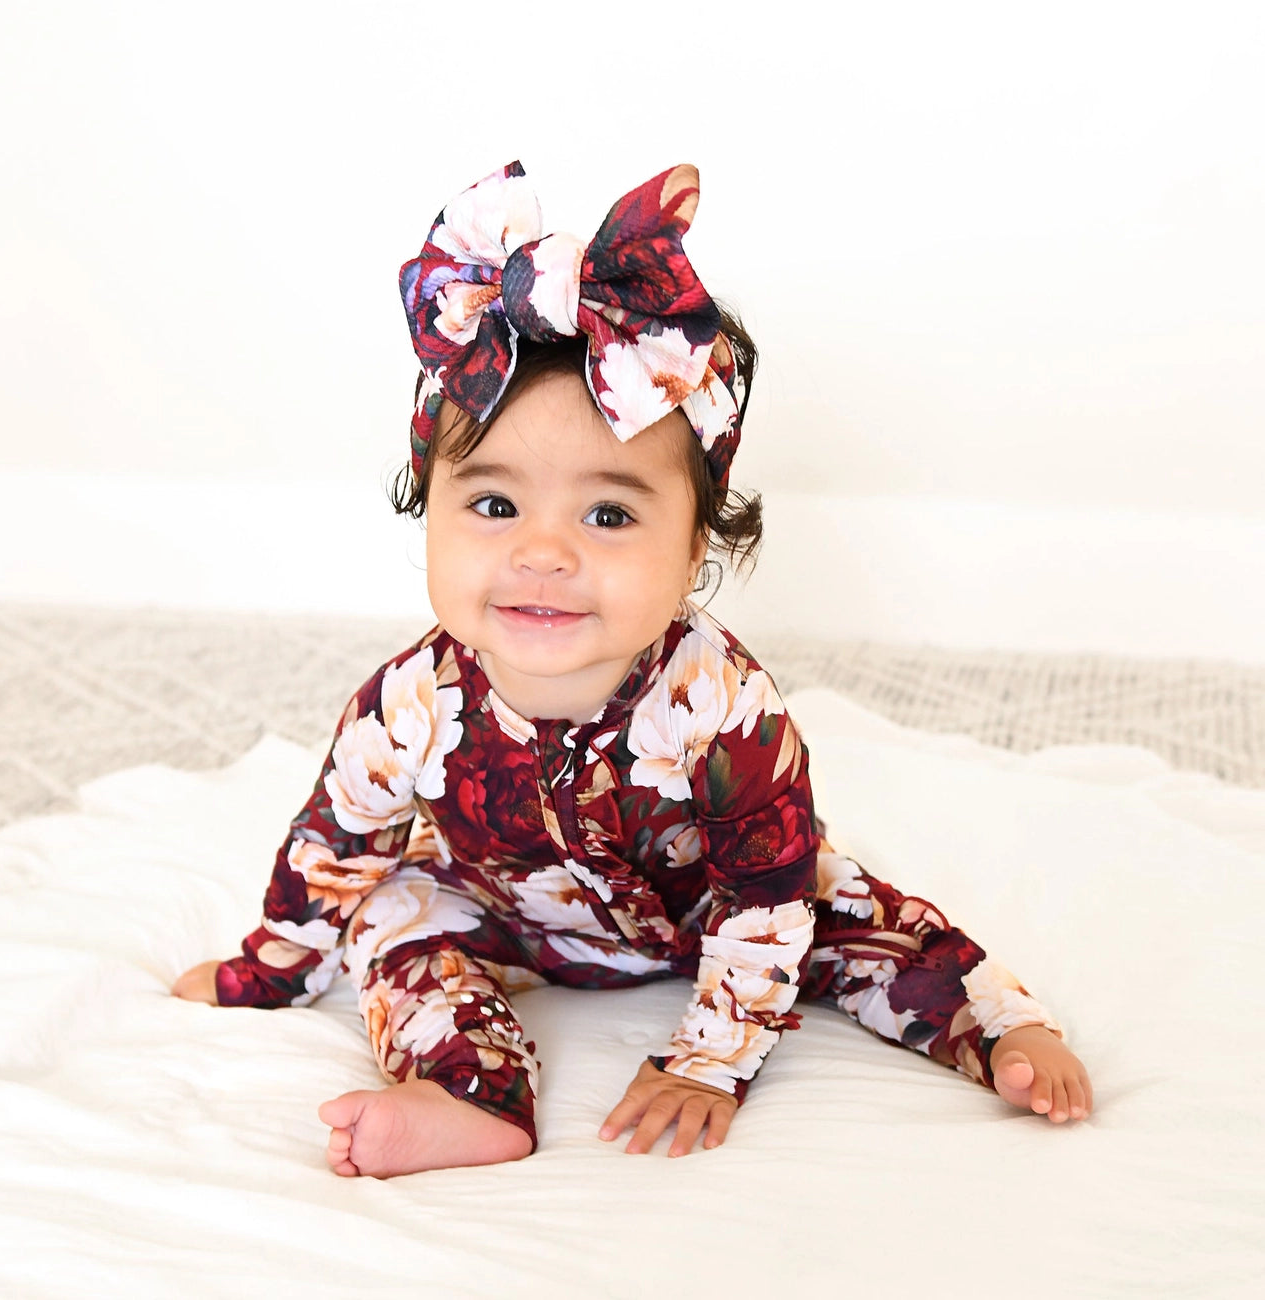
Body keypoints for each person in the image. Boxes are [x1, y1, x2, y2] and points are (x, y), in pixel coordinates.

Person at [172, 162, 1092, 1178]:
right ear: (425, 511)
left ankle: (996, 1027)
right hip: (510, 914)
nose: (544, 552)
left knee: (844, 912)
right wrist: (266, 971)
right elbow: (333, 846)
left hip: (712, 909)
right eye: (493, 506)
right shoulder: (407, 705)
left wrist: (709, 1062)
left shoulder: (721, 706)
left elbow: (763, 891)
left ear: (695, 549)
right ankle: (468, 1088)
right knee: (388, 914)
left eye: (608, 514)